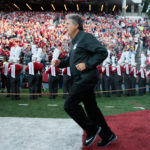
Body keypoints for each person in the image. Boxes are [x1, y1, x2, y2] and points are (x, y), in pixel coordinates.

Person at [52, 14, 117, 147]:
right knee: (91, 109)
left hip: (85, 78)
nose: (65, 26)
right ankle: (108, 135)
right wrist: (60, 62)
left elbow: (102, 52)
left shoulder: (85, 37)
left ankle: (91, 129)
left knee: (69, 105)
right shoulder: (74, 41)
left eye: (67, 24)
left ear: (76, 25)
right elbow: (72, 61)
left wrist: (87, 64)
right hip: (81, 78)